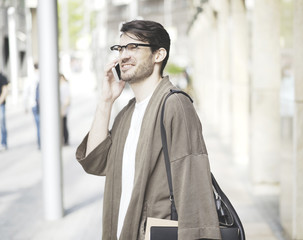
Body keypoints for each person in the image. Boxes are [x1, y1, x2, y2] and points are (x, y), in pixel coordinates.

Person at [76, 20, 220, 240]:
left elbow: (194, 189)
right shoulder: (127, 113)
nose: (123, 55)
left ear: (158, 55)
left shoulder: (175, 105)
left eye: (134, 47)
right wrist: (106, 101)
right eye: (120, 48)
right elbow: (96, 162)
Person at [24, 63, 41, 149]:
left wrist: (25, 106)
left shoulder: (30, 78)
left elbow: (26, 92)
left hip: (33, 104)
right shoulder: (45, 76)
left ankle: (40, 143)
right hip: (40, 105)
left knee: (38, 125)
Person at [59, 73, 71, 146]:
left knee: (63, 125)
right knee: (63, 125)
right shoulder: (62, 85)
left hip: (64, 108)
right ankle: (65, 140)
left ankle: (66, 140)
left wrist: (63, 109)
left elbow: (67, 99)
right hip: (63, 108)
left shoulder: (64, 86)